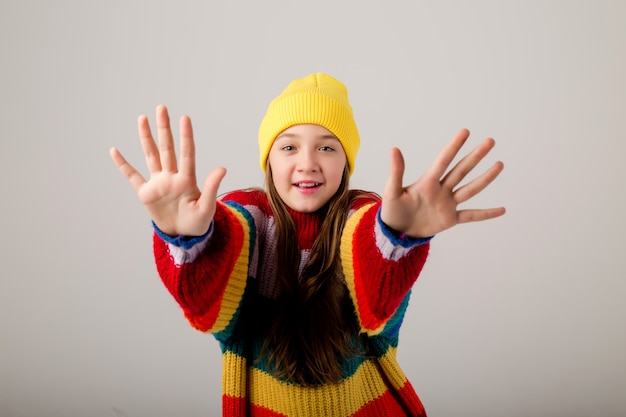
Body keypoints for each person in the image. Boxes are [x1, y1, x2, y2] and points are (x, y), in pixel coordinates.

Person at [109, 73, 505, 417]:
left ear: (346, 163)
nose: (308, 162)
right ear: (269, 161)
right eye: (289, 147)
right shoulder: (249, 219)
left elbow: (377, 303)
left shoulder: (363, 218)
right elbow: (208, 306)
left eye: (327, 147)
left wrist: (397, 237)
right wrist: (188, 240)